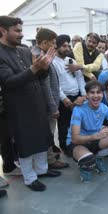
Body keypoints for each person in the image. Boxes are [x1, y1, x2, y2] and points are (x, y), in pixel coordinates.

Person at [0, 16, 59, 191]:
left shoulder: (24, 50)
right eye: (17, 30)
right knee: (26, 143)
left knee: (42, 138)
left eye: (21, 30)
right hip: (18, 107)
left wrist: (44, 68)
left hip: (37, 102)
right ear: (3, 31)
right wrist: (34, 68)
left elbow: (37, 77)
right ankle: (30, 178)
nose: (21, 34)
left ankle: (41, 170)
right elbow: (9, 81)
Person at [66, 80, 108, 182]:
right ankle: (86, 165)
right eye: (92, 92)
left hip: (95, 139)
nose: (96, 95)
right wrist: (96, 136)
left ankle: (97, 157)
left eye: (98, 92)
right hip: (77, 143)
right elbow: (75, 138)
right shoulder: (79, 109)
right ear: (87, 95)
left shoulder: (104, 108)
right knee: (88, 161)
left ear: (102, 94)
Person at [32, 28, 69, 170]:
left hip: (48, 102)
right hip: (47, 104)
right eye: (53, 43)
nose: (55, 46)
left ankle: (48, 158)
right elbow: (45, 85)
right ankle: (49, 161)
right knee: (48, 133)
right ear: (45, 42)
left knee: (48, 133)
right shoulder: (40, 57)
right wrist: (54, 107)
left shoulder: (44, 54)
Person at [52, 34, 86, 155]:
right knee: (63, 124)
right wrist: (64, 98)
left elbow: (80, 79)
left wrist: (84, 95)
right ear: (57, 46)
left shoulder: (71, 61)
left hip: (77, 96)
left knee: (77, 121)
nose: (67, 48)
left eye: (68, 46)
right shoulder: (53, 62)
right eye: (64, 46)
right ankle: (64, 147)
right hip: (64, 98)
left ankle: (77, 143)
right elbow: (55, 84)